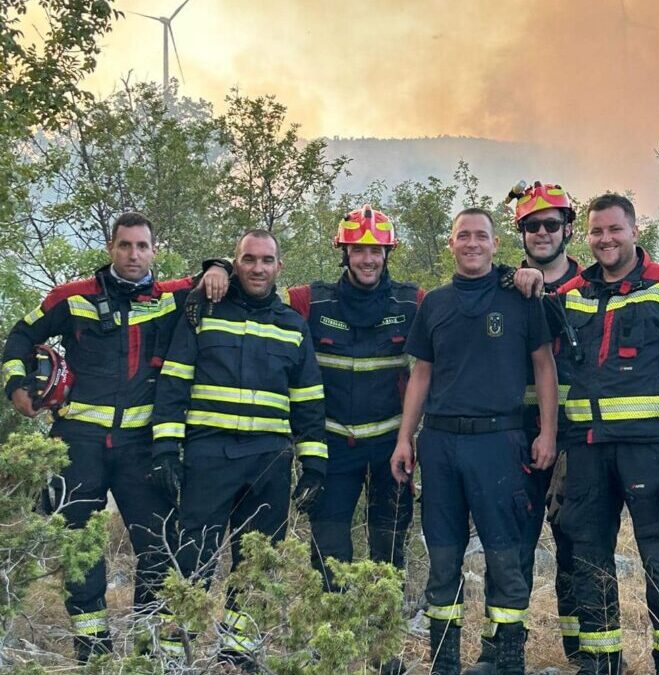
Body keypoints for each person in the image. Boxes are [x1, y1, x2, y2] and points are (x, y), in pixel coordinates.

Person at [0, 212, 229, 662]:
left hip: (140, 449)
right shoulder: (73, 297)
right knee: (80, 546)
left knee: (157, 545)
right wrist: (15, 386)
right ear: (111, 248)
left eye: (142, 246)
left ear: (153, 251)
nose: (133, 255)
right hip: (77, 443)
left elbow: (219, 277)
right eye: (125, 246)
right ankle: (92, 646)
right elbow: (20, 336)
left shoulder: (168, 297)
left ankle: (148, 645)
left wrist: (217, 266)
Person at [554, 194, 659, 675]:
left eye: (614, 229)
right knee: (588, 556)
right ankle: (602, 661)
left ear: (634, 230)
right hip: (586, 450)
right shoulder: (572, 293)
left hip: (652, 448)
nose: (605, 239)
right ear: (585, 235)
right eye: (596, 231)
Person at [390, 208, 558, 675]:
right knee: (443, 558)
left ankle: (507, 660)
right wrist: (406, 439)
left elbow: (545, 366)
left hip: (499, 442)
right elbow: (420, 374)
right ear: (451, 243)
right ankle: (444, 663)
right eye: (463, 235)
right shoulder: (435, 304)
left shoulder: (521, 298)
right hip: (440, 443)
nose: (472, 243)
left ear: (495, 243)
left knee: (505, 556)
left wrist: (547, 432)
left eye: (480, 236)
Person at [150, 229, 327, 669]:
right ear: (235, 264)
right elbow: (173, 383)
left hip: (269, 462)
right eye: (248, 259)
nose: (258, 268)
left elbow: (308, 401)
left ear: (279, 268)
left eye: (266, 260)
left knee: (257, 564)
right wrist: (166, 450)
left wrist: (315, 465)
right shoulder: (203, 312)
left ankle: (240, 653)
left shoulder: (292, 326)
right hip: (209, 458)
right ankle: (175, 655)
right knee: (194, 558)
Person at [281, 205, 422, 674]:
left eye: (376, 250)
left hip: (390, 449)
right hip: (331, 450)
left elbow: (463, 302)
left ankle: (385, 649)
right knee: (330, 546)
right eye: (359, 249)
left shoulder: (412, 303)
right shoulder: (309, 302)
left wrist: (511, 277)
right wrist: (217, 274)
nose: (368, 259)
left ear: (388, 253)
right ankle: (336, 641)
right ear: (344, 252)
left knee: (389, 547)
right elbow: (255, 294)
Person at [468, 180, 583, 675]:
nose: (541, 232)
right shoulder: (502, 287)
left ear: (567, 229)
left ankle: (586, 649)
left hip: (581, 439)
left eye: (550, 224)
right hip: (517, 435)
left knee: (579, 543)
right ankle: (501, 645)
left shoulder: (592, 286)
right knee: (508, 542)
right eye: (531, 225)